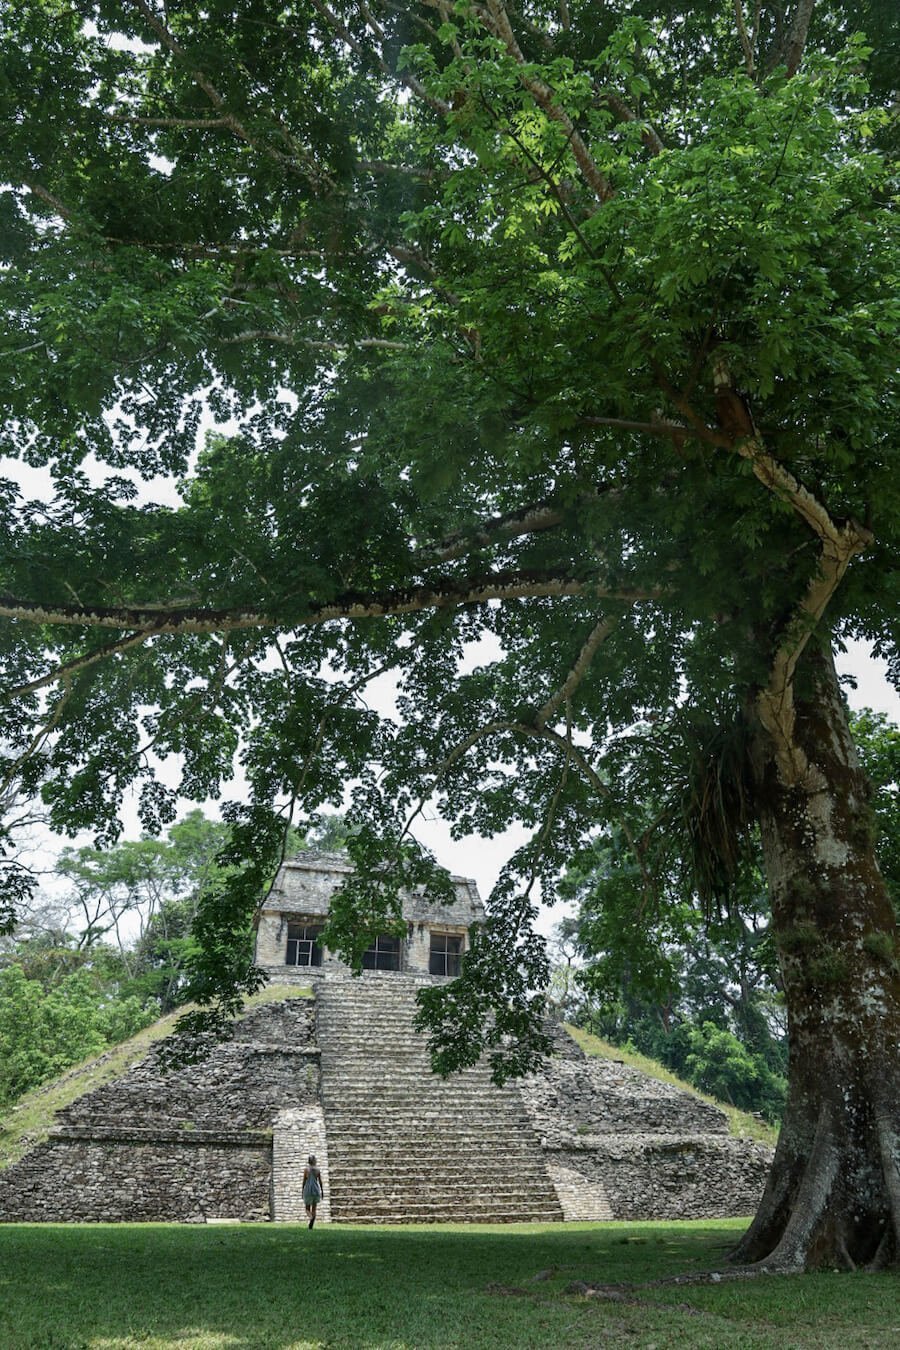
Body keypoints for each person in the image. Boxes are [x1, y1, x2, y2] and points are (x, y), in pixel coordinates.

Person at [302, 1154, 324, 1229]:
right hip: (316, 1190)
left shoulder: (306, 1170)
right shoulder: (318, 1170)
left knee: (307, 1209)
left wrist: (302, 1190)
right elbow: (320, 1181)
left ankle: (311, 1218)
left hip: (308, 1190)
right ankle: (311, 1224)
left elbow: (304, 1181)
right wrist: (322, 1191)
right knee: (314, 1208)